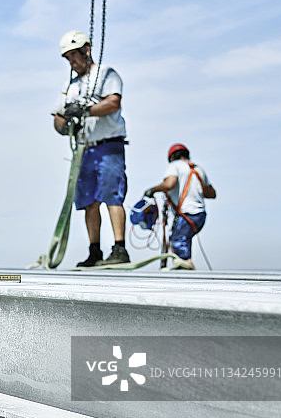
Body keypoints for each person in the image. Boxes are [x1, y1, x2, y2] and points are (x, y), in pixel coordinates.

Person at [52, 30, 130, 267]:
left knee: (112, 195)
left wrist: (85, 111)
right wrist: (66, 125)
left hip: (108, 145)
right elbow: (58, 117)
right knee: (89, 200)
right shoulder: (70, 85)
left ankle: (119, 249)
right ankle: (94, 251)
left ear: (86, 50)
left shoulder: (106, 73)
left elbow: (113, 103)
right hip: (85, 149)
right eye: (67, 58)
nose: (71, 62)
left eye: (73, 56)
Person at [143, 143, 216, 270]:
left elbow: (169, 184)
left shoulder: (174, 166)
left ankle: (185, 268)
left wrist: (152, 190)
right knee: (181, 239)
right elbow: (211, 193)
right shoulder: (198, 169)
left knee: (177, 241)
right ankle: (183, 265)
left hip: (187, 213)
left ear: (171, 157)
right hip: (200, 216)